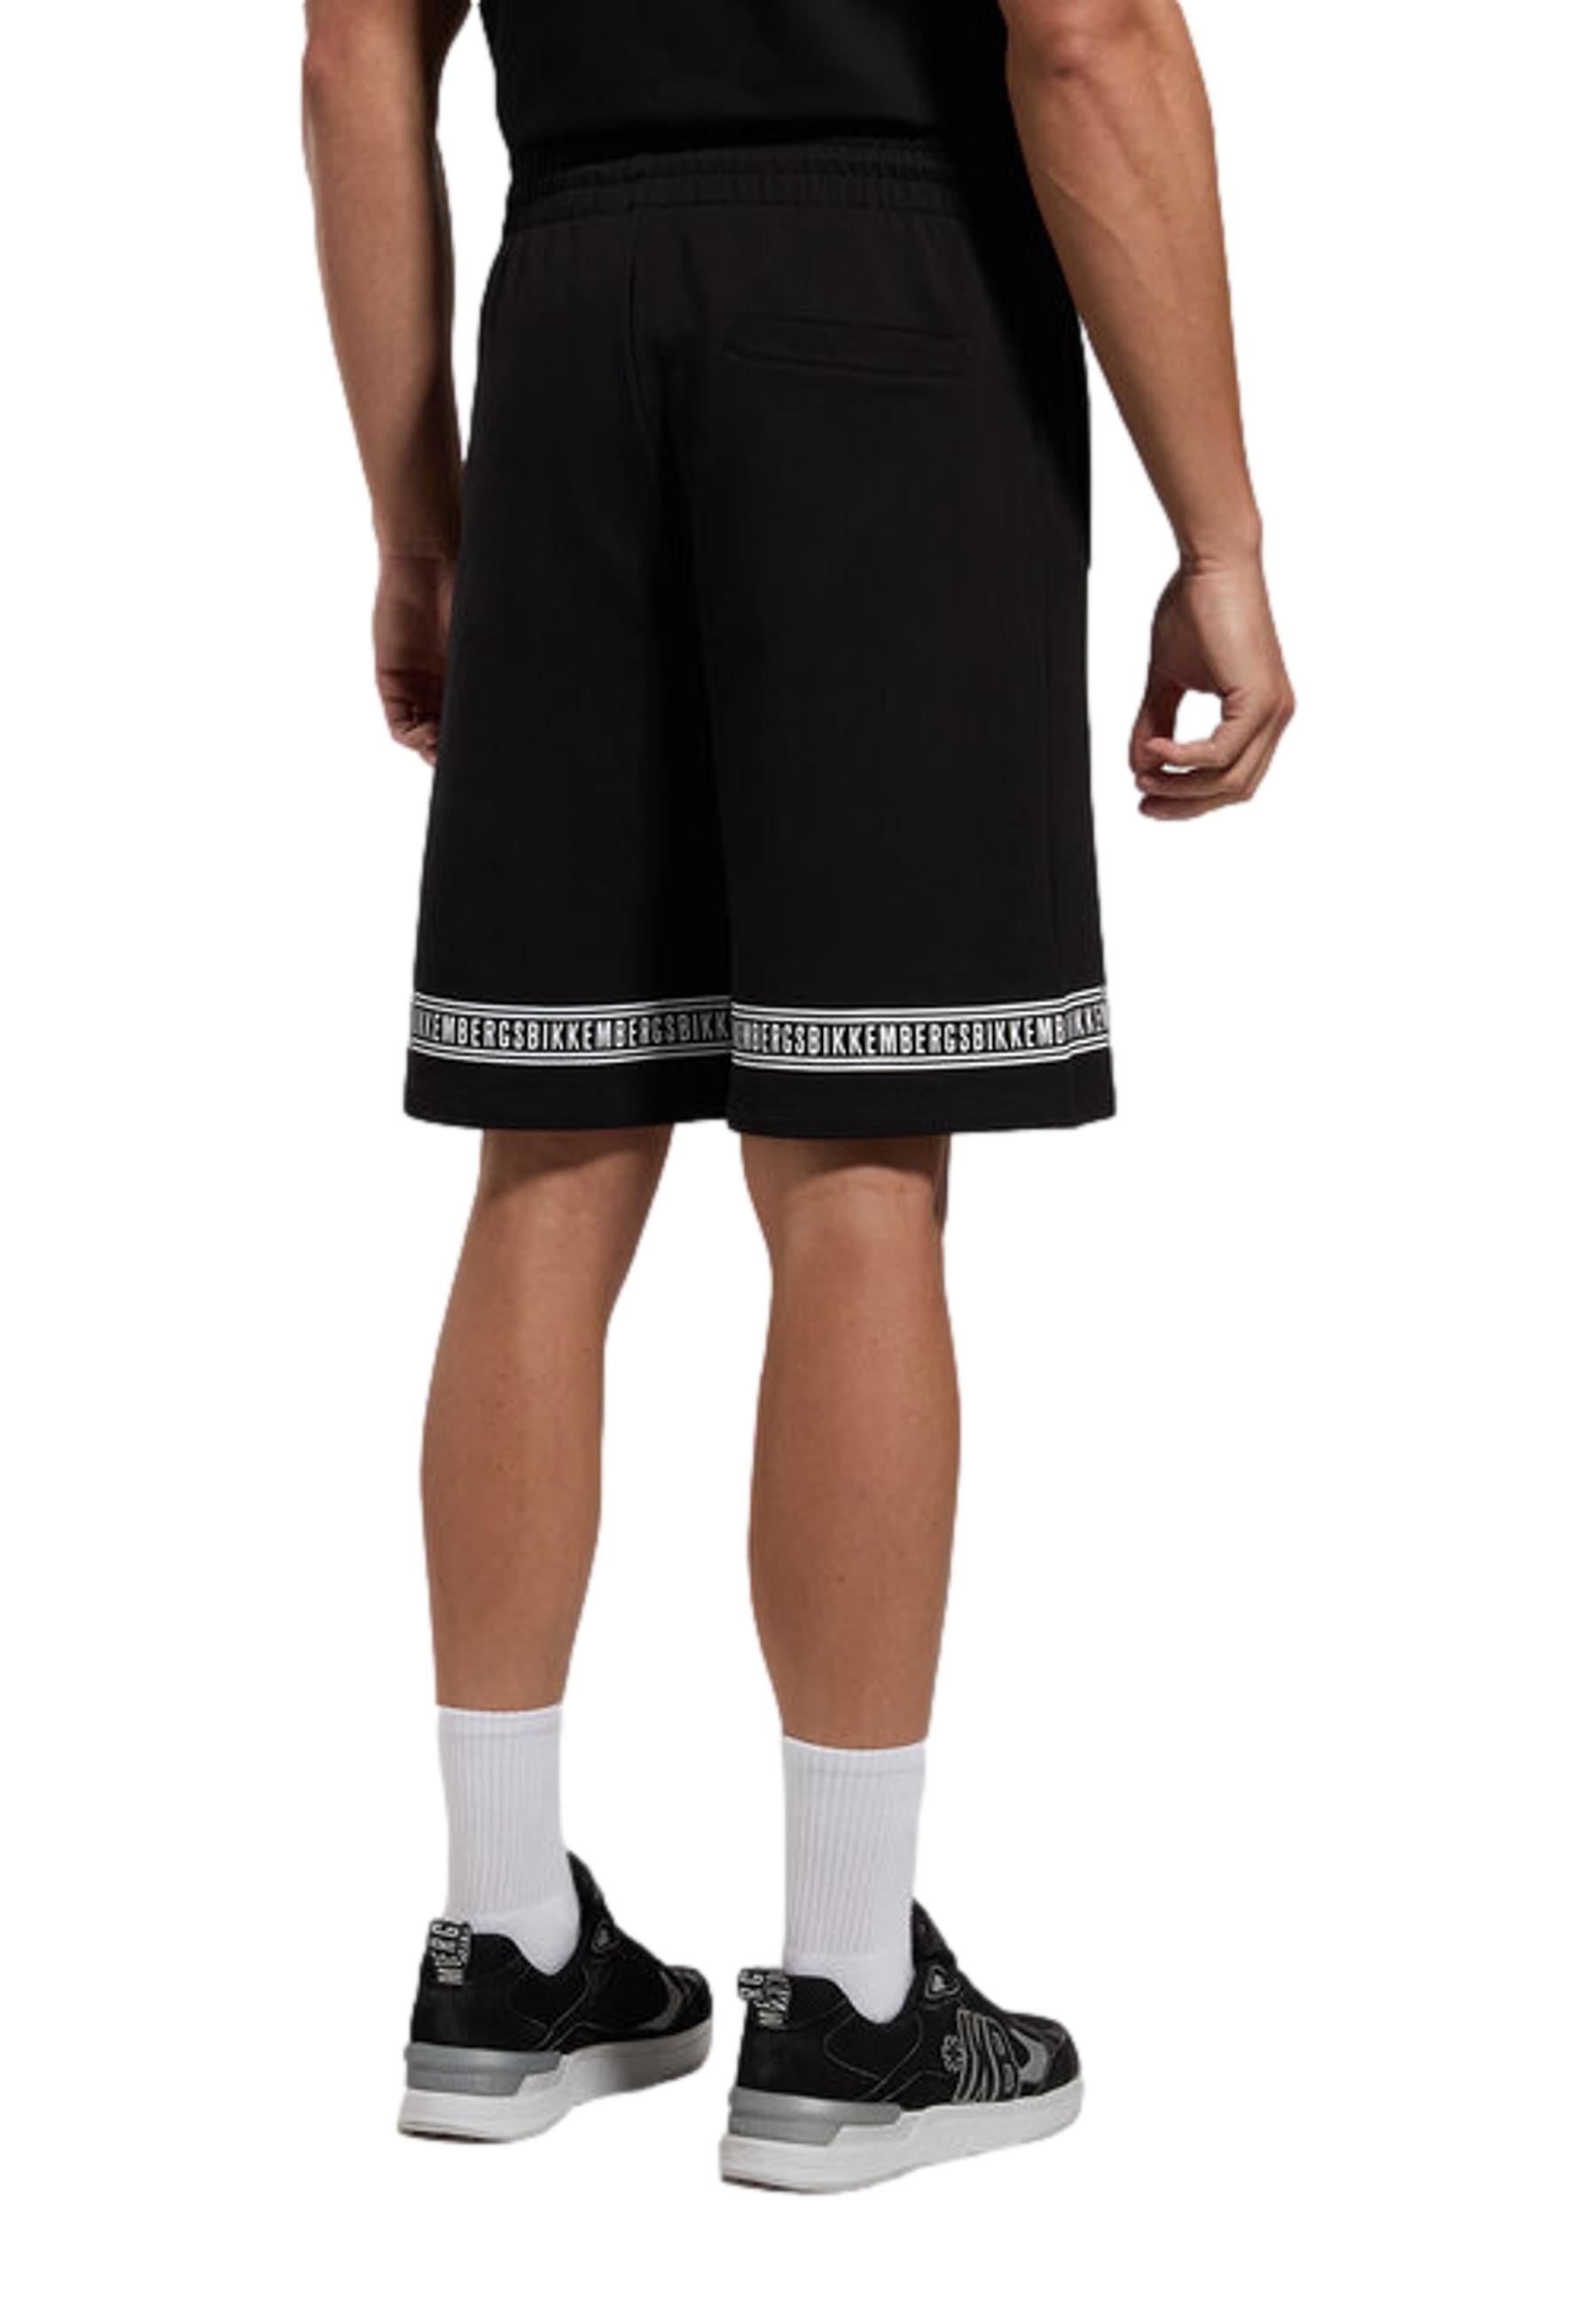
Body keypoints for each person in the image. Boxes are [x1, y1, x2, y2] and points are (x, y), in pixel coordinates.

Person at [303, 0, 1292, 2192]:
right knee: (854, 1167)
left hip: (573, 314)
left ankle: (503, 1945)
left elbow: (353, 52)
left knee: (552, 1151)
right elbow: (1087, 38)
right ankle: (847, 2001)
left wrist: (418, 510)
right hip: (889, 319)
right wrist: (1219, 530)